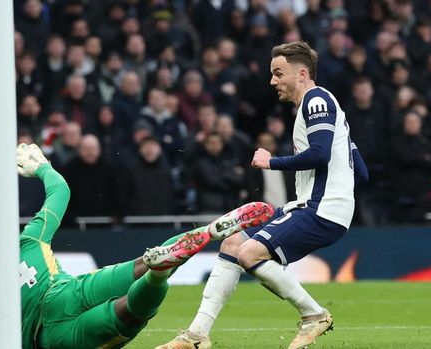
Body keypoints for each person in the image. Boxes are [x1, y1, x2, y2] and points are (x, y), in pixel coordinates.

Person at [157, 41, 369, 349]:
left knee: (250, 253)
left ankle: (314, 314)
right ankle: (197, 335)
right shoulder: (326, 109)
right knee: (233, 243)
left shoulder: (316, 99)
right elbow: (361, 172)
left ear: (302, 73)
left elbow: (321, 154)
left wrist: (272, 162)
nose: (272, 81)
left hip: (320, 208)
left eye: (278, 73)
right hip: (315, 205)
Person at [0, 143, 274, 349]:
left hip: (51, 336)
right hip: (68, 291)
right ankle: (197, 238)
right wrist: (43, 168)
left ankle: (157, 276)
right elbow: (60, 190)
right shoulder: (30, 237)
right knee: (140, 264)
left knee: (126, 315)